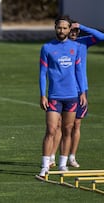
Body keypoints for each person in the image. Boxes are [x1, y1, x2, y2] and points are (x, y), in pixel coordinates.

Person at [49, 21, 104, 168]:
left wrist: (82, 26)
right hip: (64, 89)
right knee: (59, 124)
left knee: (76, 124)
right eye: (70, 30)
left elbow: (101, 37)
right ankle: (52, 157)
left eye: (75, 31)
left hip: (80, 90)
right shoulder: (61, 46)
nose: (72, 33)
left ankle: (72, 157)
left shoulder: (83, 43)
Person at [38, 16, 87, 177]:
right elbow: (43, 73)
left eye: (65, 28)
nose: (62, 31)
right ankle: (45, 166)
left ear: (69, 30)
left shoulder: (76, 47)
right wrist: (42, 94)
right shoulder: (47, 48)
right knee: (51, 129)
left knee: (67, 129)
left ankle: (62, 164)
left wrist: (82, 93)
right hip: (54, 96)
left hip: (72, 96)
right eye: (59, 28)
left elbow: (79, 72)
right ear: (55, 28)